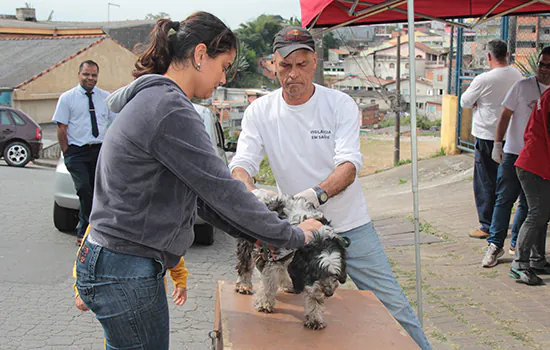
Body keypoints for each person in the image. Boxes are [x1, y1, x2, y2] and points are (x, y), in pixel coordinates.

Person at [75, 13, 321, 350]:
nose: (223, 78)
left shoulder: (156, 101)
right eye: (224, 66)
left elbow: (205, 198)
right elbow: (223, 191)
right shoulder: (170, 109)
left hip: (113, 261)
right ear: (200, 54)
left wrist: (263, 236)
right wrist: (292, 234)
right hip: (124, 267)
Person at [229, 26, 431, 350]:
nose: (293, 74)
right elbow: (242, 165)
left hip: (351, 224)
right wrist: (251, 193)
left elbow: (349, 164)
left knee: (395, 308)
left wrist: (317, 194)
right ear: (272, 65)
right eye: (285, 66)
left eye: (302, 64)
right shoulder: (259, 112)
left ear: (315, 61)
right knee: (299, 313)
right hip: (298, 231)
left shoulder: (339, 104)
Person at [482, 47, 550, 267]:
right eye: (541, 64)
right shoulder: (522, 86)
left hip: (540, 158)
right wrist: (498, 144)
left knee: (529, 206)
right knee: (505, 199)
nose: (544, 70)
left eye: (549, 66)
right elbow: (504, 116)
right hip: (515, 152)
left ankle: (518, 247)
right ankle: (494, 245)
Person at [460, 39, 523, 239]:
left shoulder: (484, 79)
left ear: (489, 56)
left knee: (486, 181)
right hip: (510, 135)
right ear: (507, 54)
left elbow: (465, 101)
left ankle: (487, 225)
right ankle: (503, 221)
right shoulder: (517, 75)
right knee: (507, 180)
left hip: (487, 135)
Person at [52, 60, 116, 244]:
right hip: (77, 152)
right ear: (79, 74)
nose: (90, 78)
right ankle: (83, 230)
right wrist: (68, 153)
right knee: (83, 189)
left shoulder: (105, 97)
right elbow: (61, 128)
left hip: (99, 151)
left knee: (99, 191)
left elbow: (116, 121)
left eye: (94, 75)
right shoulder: (67, 98)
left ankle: (96, 230)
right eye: (86, 74)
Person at [508, 87, 550, 285]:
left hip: (536, 164)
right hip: (534, 165)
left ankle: (537, 260)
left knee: (542, 213)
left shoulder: (546, 96)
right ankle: (520, 264)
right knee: (537, 213)